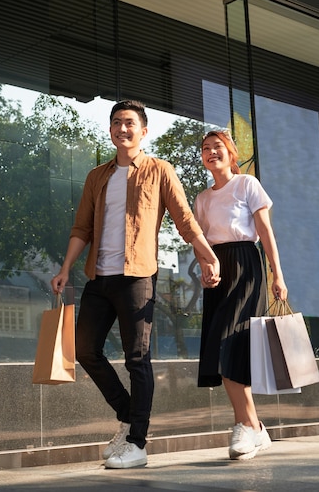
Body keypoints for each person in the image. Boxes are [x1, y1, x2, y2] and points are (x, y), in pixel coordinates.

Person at [51, 100, 220, 469]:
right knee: (84, 349)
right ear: (111, 131)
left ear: (143, 131)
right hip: (99, 276)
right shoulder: (97, 176)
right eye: (116, 123)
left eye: (129, 123)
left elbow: (184, 218)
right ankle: (130, 418)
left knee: (137, 358)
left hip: (137, 276)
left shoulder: (160, 170)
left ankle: (137, 443)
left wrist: (206, 254)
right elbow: (82, 227)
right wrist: (66, 267)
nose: (121, 129)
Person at [193, 129, 288, 461]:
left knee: (231, 342)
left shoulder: (247, 184)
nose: (211, 152)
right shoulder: (202, 199)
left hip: (247, 266)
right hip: (219, 271)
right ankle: (252, 427)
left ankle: (248, 427)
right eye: (205, 148)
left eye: (217, 146)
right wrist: (205, 265)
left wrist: (278, 273)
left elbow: (264, 231)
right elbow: (200, 240)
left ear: (230, 152)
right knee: (223, 348)